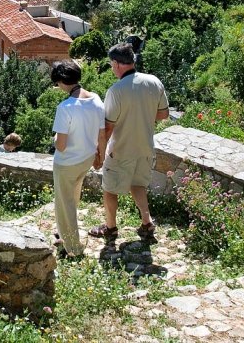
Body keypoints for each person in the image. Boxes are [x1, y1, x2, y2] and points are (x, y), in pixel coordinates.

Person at [89, 43, 169, 243]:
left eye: (111, 64)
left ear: (116, 64)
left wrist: (99, 154)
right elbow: (164, 114)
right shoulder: (154, 81)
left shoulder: (116, 90)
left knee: (110, 189)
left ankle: (110, 228)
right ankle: (146, 222)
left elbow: (108, 128)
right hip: (146, 147)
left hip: (121, 149)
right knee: (138, 184)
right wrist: (142, 114)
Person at [50, 60, 106, 259]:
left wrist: (54, 138)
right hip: (86, 158)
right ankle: (64, 232)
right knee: (73, 196)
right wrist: (100, 156)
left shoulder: (65, 107)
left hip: (67, 162)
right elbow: (101, 135)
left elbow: (61, 145)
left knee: (64, 203)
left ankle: (72, 247)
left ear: (62, 82)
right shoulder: (97, 100)